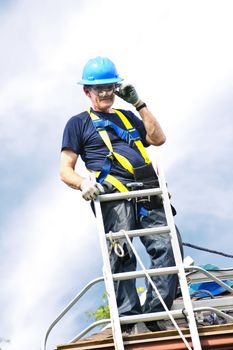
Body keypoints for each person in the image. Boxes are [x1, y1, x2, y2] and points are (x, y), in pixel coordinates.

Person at [60, 56, 183, 334]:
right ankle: (128, 319)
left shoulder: (128, 117)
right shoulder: (78, 124)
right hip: (114, 195)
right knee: (121, 254)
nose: (106, 94)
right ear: (87, 91)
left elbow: (158, 138)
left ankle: (156, 313)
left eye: (110, 87)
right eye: (99, 89)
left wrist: (139, 104)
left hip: (148, 191)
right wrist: (82, 184)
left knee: (169, 247)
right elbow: (65, 170)